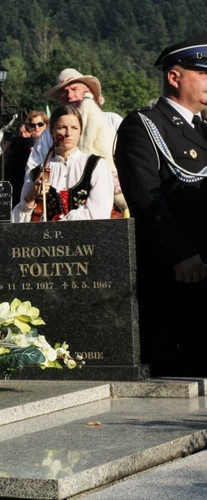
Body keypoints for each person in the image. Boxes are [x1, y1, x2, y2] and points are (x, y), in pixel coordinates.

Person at [114, 35, 207, 377]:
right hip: (179, 274)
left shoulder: (204, 129)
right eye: (203, 73)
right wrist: (180, 253)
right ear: (174, 77)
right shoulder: (144, 125)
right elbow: (143, 197)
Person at [13, 105, 114, 222]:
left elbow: (98, 213)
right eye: (62, 127)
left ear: (80, 132)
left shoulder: (96, 165)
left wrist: (59, 226)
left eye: (74, 128)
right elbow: (18, 223)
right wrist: (30, 197)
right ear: (52, 131)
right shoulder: (37, 172)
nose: (68, 133)